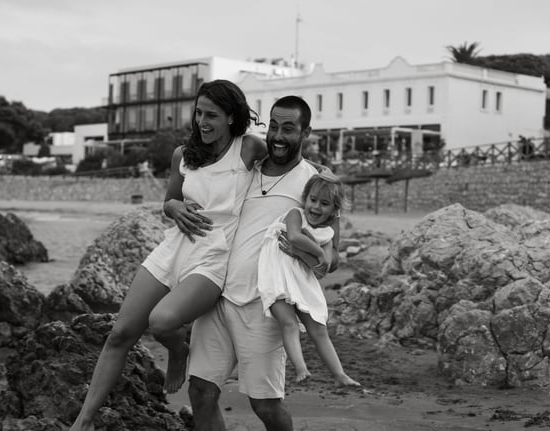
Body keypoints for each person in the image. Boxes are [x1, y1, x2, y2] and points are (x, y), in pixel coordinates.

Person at [69, 79, 267, 431]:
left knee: (161, 322)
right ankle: (81, 424)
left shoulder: (249, 148)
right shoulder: (183, 155)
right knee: (120, 333)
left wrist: (322, 181)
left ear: (231, 117)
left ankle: (178, 349)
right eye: (198, 113)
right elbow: (170, 200)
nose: (202, 122)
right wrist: (174, 207)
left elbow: (290, 166)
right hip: (174, 247)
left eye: (211, 115)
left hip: (214, 257)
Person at [186, 95, 340, 431]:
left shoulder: (313, 182)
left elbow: (331, 259)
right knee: (200, 391)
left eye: (289, 128)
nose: (278, 136)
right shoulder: (247, 167)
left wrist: (303, 253)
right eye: (274, 126)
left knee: (265, 405)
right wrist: (173, 205)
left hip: (267, 306)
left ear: (306, 132)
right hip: (219, 295)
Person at [257, 172, 360, 387]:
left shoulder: (327, 234)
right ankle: (301, 368)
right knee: (289, 323)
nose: (316, 207)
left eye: (325, 204)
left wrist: (301, 254)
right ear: (305, 198)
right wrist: (318, 253)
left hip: (302, 280)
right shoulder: (295, 214)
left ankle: (340, 375)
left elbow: (322, 269)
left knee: (319, 329)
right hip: (276, 276)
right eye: (313, 200)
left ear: (334, 210)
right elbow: (294, 236)